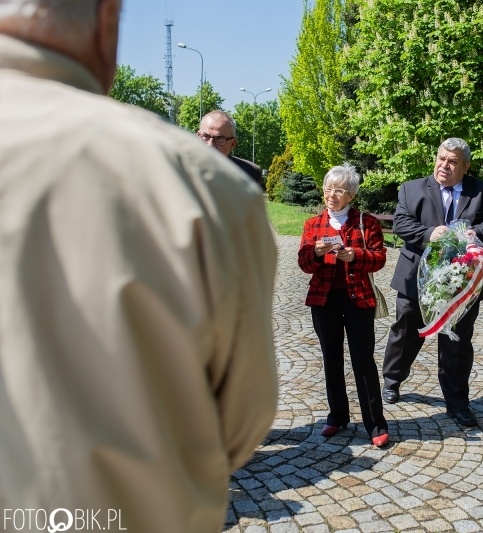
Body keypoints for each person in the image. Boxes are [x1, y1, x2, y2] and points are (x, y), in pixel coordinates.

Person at [0, 1, 279, 531]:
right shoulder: (204, 188)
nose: (210, 142)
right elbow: (243, 420)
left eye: (219, 136)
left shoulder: (233, 182)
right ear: (108, 21)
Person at [382, 138, 483, 427]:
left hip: (463, 284)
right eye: (440, 159)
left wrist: (472, 233)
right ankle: (391, 381)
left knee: (457, 343)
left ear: (465, 166)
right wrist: (428, 234)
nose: (444, 166)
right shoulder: (411, 189)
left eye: (451, 161)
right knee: (405, 333)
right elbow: (401, 223)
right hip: (416, 280)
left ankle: (458, 404)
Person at [298, 163, 390, 447]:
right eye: (328, 188)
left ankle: (375, 423)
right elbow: (304, 263)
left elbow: (380, 258)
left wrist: (355, 256)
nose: (332, 195)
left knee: (363, 361)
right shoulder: (313, 224)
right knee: (331, 359)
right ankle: (337, 416)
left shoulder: (367, 222)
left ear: (351, 194)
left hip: (358, 298)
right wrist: (315, 251)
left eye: (339, 190)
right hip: (323, 300)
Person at [198, 109, 265, 190]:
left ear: (233, 143)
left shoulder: (250, 172)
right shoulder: (180, 168)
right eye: (205, 136)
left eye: (219, 139)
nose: (210, 145)